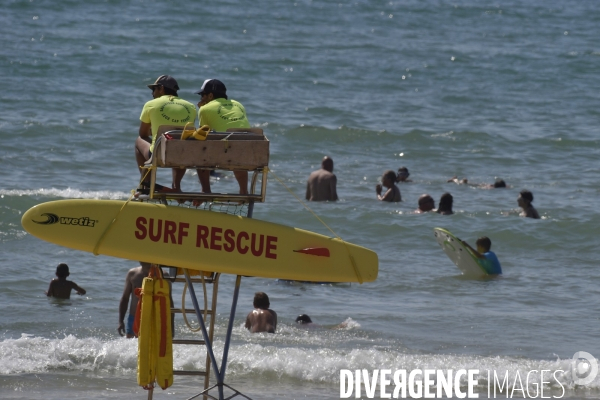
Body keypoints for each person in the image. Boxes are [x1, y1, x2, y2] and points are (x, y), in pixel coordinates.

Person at [135, 75, 197, 192]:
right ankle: (176, 185)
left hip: (159, 156)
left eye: (154, 90)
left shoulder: (151, 104)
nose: (152, 94)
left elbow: (143, 133)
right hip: (183, 155)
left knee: (139, 140)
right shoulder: (191, 107)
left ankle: (147, 183)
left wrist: (153, 132)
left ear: (161, 88)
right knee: (179, 144)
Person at [194, 79, 251, 194]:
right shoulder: (238, 105)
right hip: (247, 153)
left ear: (210, 95)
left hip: (225, 154)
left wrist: (202, 109)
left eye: (202, 95)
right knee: (237, 147)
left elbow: (203, 135)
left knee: (200, 150)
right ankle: (244, 191)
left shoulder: (205, 109)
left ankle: (206, 190)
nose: (201, 98)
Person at [118, 262, 151, 338]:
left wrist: (170, 326)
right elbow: (125, 298)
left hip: (154, 319)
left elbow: (169, 301)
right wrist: (120, 321)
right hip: (134, 318)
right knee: (132, 345)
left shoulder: (163, 275)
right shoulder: (132, 273)